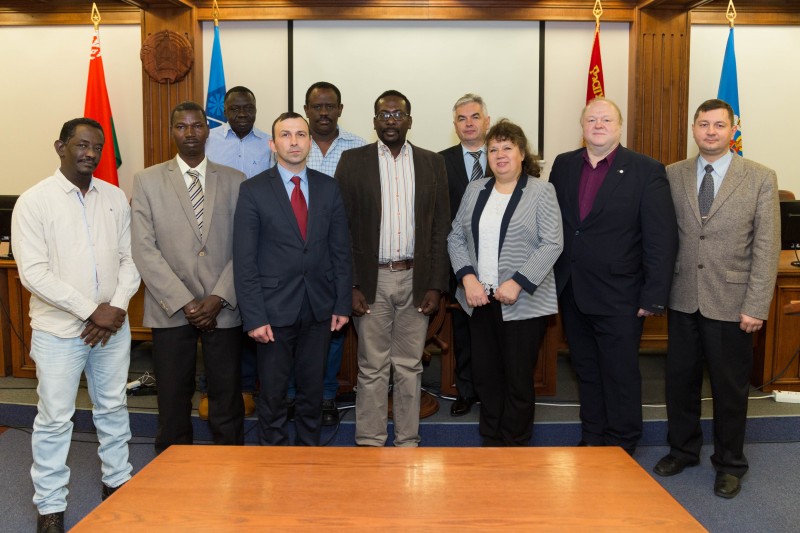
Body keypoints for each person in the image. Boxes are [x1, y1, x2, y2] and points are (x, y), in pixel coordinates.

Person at [12, 118, 141, 533]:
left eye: (97, 147)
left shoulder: (115, 198)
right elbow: (33, 273)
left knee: (114, 406)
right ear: (60, 147)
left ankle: (117, 481)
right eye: (81, 145)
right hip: (59, 333)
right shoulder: (34, 202)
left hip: (112, 327)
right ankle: (50, 506)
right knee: (54, 418)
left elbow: (130, 259)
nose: (90, 153)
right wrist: (91, 310)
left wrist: (115, 308)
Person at [653, 99, 780, 498]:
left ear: (733, 130)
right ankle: (683, 449)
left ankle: (729, 463)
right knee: (680, 382)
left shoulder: (760, 177)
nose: (711, 132)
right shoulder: (671, 175)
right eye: (704, 124)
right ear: (693, 129)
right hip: (683, 297)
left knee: (729, 388)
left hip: (733, 302)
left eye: (719, 125)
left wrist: (756, 305)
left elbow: (766, 246)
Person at [549, 97, 678, 454]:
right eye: (592, 119)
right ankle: (592, 437)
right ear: (582, 127)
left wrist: (653, 296)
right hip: (572, 290)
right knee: (586, 370)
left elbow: (660, 239)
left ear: (619, 127)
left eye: (606, 119)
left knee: (619, 374)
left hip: (622, 295)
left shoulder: (646, 170)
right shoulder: (563, 165)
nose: (599, 125)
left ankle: (622, 444)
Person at [336, 90, 450, 447]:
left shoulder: (432, 163)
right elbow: (341, 228)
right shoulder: (353, 161)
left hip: (417, 280)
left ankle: (406, 442)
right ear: (374, 122)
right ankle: (369, 442)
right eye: (383, 115)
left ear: (409, 121)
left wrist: (435, 284)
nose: (390, 120)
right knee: (371, 367)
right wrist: (351, 284)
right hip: (371, 281)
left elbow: (440, 228)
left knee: (409, 366)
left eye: (397, 114)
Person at [131, 101, 245, 454]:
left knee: (226, 394)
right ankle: (172, 468)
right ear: (172, 132)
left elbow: (246, 247)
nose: (190, 133)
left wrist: (218, 297)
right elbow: (143, 249)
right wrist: (186, 301)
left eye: (197, 126)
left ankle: (231, 466)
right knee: (172, 393)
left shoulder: (235, 180)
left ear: (207, 130)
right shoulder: (147, 180)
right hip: (171, 307)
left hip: (222, 306)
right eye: (182, 126)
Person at [233, 112, 352, 445]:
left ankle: (309, 456)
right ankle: (273, 460)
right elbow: (244, 260)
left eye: (301, 134)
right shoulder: (253, 190)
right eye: (286, 135)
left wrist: (342, 302)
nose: (294, 141)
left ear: (310, 142)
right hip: (272, 312)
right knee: (272, 395)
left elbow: (341, 250)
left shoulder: (329, 188)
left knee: (312, 391)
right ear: (273, 144)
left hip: (319, 308)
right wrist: (254, 316)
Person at [448, 119, 562, 446]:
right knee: (486, 376)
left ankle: (514, 444)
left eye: (507, 148)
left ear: (521, 153)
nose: (499, 155)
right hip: (479, 300)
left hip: (522, 304)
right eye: (493, 149)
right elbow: (455, 237)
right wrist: (467, 278)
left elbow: (552, 242)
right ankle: (491, 439)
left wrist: (518, 282)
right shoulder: (475, 190)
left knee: (517, 378)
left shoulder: (542, 191)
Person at [282, 81, 366, 426]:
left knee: (331, 333)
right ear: (306, 109)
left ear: (341, 109)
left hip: (338, 255)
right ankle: (291, 396)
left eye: (330, 106)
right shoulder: (293, 146)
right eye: (316, 107)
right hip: (293, 260)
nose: (324, 113)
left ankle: (327, 396)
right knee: (289, 331)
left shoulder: (359, 147)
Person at [203, 85, 272, 419]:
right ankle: (221, 388)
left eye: (248, 108)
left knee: (253, 307)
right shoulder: (209, 140)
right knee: (220, 309)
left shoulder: (268, 143)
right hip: (218, 233)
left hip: (264, 236)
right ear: (225, 111)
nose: (242, 114)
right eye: (236, 109)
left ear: (256, 109)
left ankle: (251, 385)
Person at [439, 93, 491, 417]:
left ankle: (491, 391)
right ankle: (466, 389)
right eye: (462, 118)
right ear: (454, 125)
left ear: (487, 120)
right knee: (464, 333)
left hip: (500, 263)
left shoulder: (505, 155)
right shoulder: (439, 161)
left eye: (475, 117)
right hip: (456, 263)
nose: (469, 123)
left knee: (494, 334)